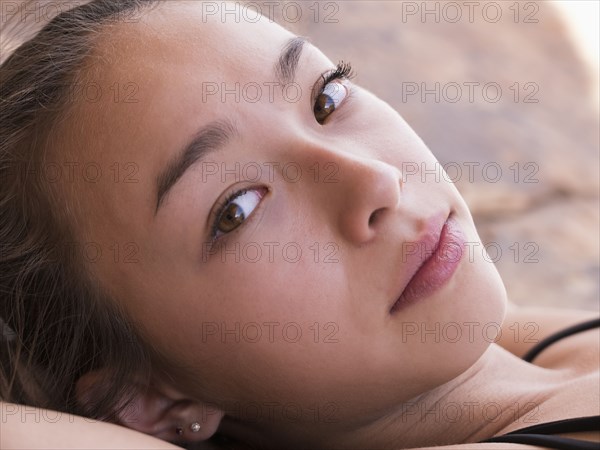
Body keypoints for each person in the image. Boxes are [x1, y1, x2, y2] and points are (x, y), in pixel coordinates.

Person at [0, 1, 598, 449]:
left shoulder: (519, 357)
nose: (375, 182)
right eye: (238, 209)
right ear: (145, 399)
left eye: (326, 99)